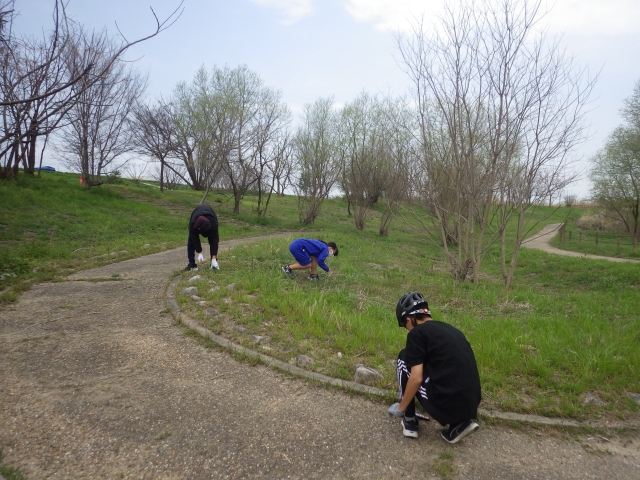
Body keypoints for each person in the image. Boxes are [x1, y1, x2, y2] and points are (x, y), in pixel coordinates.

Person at [387, 291, 481, 444]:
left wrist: (401, 408)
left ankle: (409, 420)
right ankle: (459, 425)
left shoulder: (417, 334)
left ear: (409, 319)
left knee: (404, 359)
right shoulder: (452, 330)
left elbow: (416, 378)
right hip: (472, 402)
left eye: (405, 325)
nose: (407, 329)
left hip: (447, 402)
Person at [186, 204, 220, 272]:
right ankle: (192, 265)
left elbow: (214, 240)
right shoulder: (193, 224)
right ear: (198, 229)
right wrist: (199, 252)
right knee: (191, 241)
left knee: (212, 238)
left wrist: (214, 257)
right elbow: (194, 238)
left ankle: (213, 263)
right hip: (196, 214)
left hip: (210, 217)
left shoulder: (214, 223)